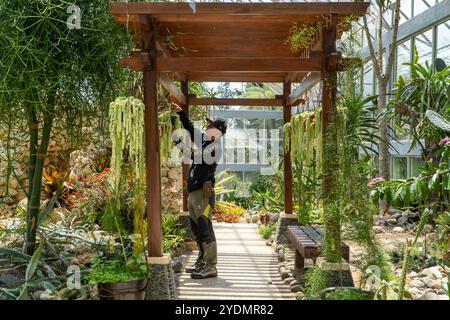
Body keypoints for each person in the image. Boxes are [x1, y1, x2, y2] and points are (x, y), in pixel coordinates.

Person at [171, 103, 227, 279]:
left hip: (204, 194)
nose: (207, 126)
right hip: (195, 192)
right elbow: (189, 128)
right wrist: (181, 113)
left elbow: (196, 156)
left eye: (210, 125)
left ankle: (211, 266)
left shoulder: (215, 147)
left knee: (205, 228)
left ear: (218, 131)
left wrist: (178, 144)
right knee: (196, 229)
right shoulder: (204, 140)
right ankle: (202, 260)